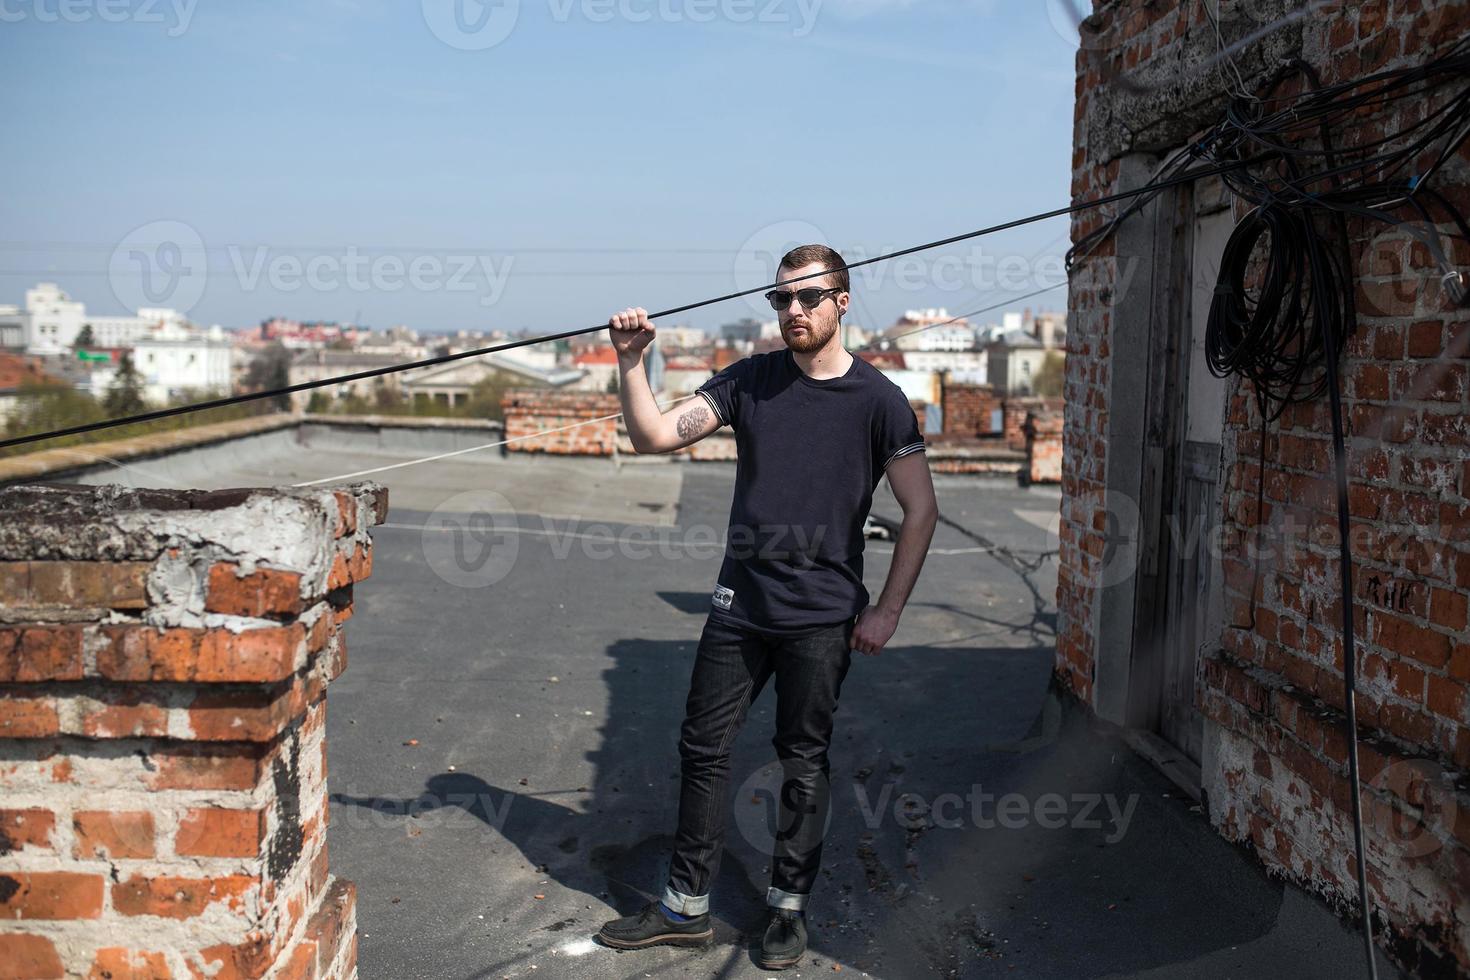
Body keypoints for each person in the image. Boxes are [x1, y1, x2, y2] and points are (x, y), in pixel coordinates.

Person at [595, 244, 938, 970]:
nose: (793, 312)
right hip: (739, 606)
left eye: (808, 298)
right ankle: (685, 908)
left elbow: (920, 509)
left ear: (843, 302)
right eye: (780, 299)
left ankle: (788, 907)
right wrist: (631, 359)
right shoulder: (751, 380)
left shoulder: (879, 401)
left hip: (821, 616)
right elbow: (655, 435)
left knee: (801, 763)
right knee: (703, 748)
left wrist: (887, 611)